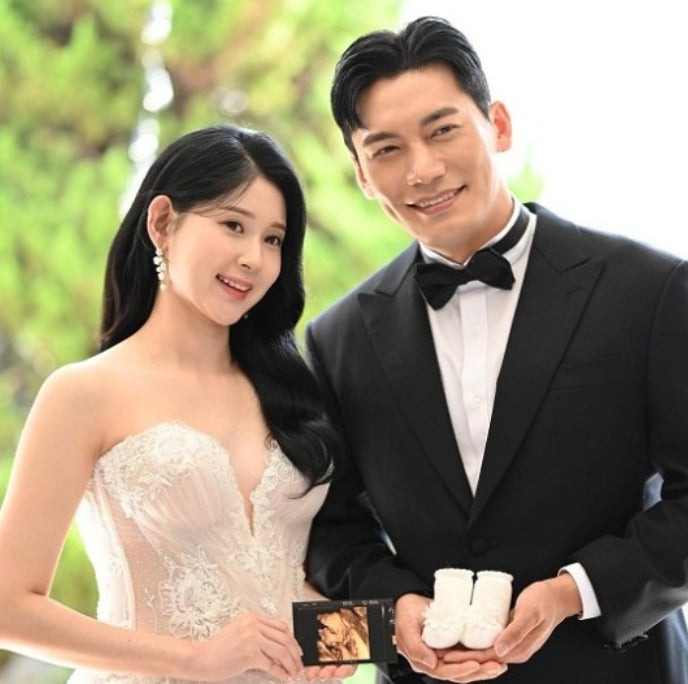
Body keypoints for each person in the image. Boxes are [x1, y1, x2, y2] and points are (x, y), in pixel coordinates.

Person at [304, 15, 688, 684]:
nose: (423, 170)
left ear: (498, 125)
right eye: (387, 149)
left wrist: (572, 592)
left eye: (442, 130)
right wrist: (395, 616)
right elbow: (328, 532)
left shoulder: (650, 289)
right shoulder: (336, 339)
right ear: (362, 175)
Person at [0, 124, 354, 683]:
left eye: (273, 240)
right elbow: (7, 607)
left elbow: (278, 576)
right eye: (233, 226)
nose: (254, 258)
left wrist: (341, 641)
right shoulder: (83, 393)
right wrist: (194, 660)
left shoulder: (290, 392)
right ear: (163, 222)